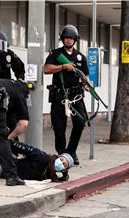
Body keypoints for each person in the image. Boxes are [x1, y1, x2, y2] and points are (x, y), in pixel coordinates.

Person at [44, 25, 90, 165]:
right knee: (59, 127)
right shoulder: (56, 54)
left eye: (71, 38)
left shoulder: (80, 57)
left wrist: (87, 84)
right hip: (59, 95)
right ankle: (62, 154)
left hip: (76, 96)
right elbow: (46, 69)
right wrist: (64, 66)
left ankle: (71, 151)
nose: (69, 40)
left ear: (75, 40)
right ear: (62, 39)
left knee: (80, 123)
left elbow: (85, 76)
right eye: (66, 38)